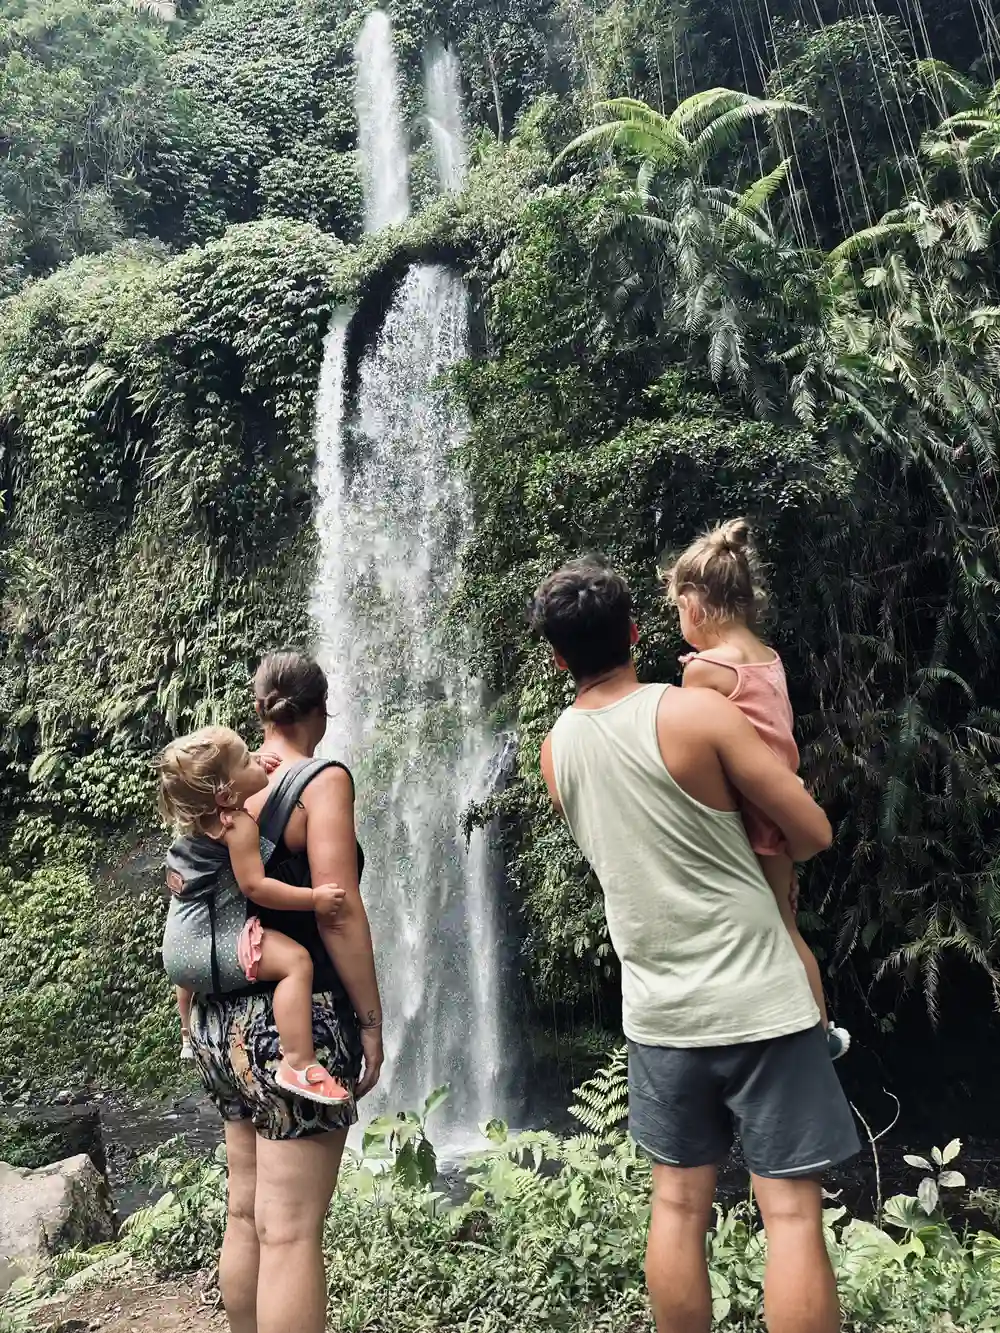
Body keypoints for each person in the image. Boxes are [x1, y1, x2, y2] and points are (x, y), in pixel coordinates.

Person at [532, 558, 859, 1333]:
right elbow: (812, 830)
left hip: (658, 1010)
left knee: (677, 1205)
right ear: (637, 633)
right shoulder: (692, 716)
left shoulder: (556, 752)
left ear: (556, 658)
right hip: (761, 997)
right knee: (790, 1217)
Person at [182, 650, 383, 1333]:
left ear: (260, 710)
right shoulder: (321, 780)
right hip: (290, 1026)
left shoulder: (219, 796)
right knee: (293, 1231)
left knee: (247, 1212)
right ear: (319, 711)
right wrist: (370, 1021)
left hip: (219, 1025)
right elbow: (339, 908)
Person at [663, 517, 849, 1060]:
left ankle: (812, 1032)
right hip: (782, 801)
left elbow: (694, 748)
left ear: (695, 604)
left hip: (748, 813)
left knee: (776, 927)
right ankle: (821, 1029)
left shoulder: (705, 672)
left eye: (677, 608)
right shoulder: (769, 659)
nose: (680, 620)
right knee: (786, 920)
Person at [159, 726, 350, 1105]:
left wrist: (252, 768)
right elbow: (256, 888)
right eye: (247, 759)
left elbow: (221, 791)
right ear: (227, 794)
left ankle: (186, 1035)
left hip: (177, 953)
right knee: (296, 963)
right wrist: (314, 898)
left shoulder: (198, 816)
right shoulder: (239, 826)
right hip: (209, 950)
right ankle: (298, 1063)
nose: (256, 759)